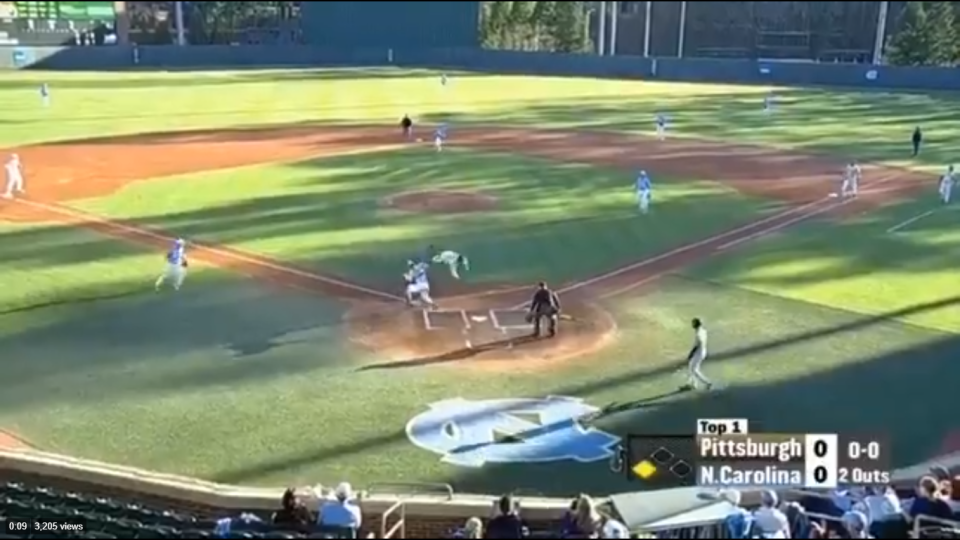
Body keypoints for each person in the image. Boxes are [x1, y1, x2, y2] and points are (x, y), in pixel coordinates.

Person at [681, 318, 713, 391]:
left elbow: (696, 345)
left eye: (693, 323)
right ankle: (692, 384)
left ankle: (707, 382)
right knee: (691, 366)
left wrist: (691, 354)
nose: (692, 325)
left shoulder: (698, 334)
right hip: (702, 351)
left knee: (694, 369)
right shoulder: (703, 331)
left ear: (696, 324)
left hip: (698, 353)